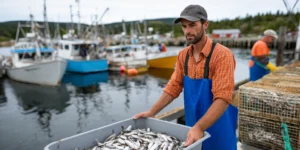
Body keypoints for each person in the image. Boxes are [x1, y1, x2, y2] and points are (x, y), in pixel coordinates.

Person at [134, 4, 238, 150]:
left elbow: (222, 99)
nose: (187, 31)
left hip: (219, 131)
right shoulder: (183, 56)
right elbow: (173, 87)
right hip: (192, 129)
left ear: (205, 24)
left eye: (192, 25)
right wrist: (152, 112)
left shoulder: (222, 55)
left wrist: (200, 127)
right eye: (184, 26)